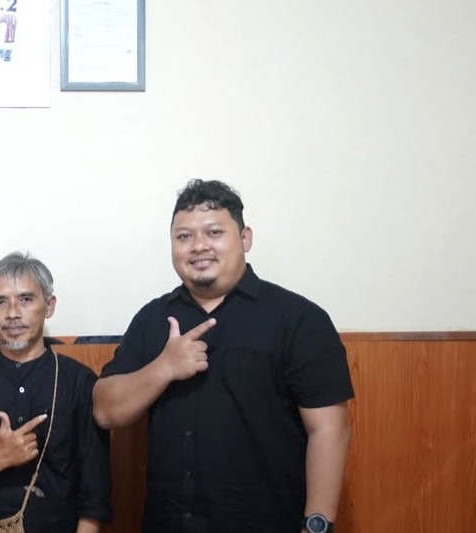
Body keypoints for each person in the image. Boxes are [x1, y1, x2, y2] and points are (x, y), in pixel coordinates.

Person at [92, 179, 354, 533]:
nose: (199, 246)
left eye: (214, 232)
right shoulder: (153, 318)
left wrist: (318, 525)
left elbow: (329, 429)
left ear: (245, 238)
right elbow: (105, 410)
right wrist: (164, 368)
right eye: (184, 237)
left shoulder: (299, 320)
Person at [0, 252, 112, 533]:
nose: (13, 313)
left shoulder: (78, 380)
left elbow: (95, 490)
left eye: (26, 299)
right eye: (0, 302)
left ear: (49, 305)